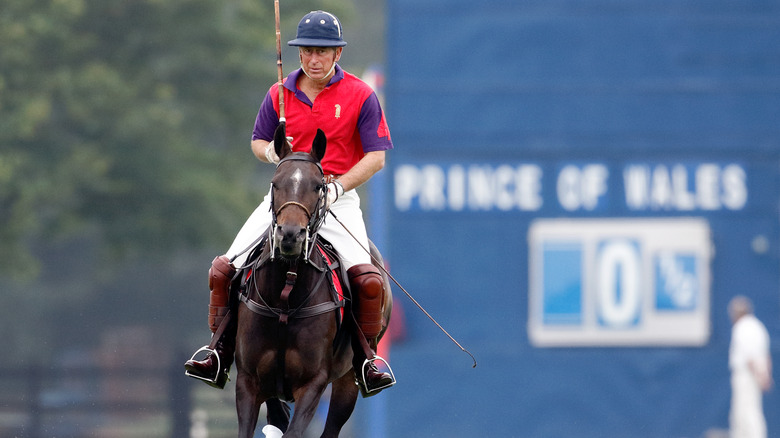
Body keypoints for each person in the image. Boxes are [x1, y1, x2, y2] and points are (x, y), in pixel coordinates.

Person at [184, 10, 395, 396]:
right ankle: (218, 353)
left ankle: (366, 361)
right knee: (223, 269)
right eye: (308, 51)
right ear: (298, 54)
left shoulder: (360, 95)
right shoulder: (278, 93)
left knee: (367, 281)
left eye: (323, 51)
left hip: (337, 199)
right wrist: (274, 155)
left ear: (338, 53)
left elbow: (376, 156)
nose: (315, 59)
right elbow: (258, 141)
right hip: (286, 200)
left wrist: (337, 188)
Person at [728, 295, 773, 438]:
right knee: (748, 410)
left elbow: (749, 358)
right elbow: (766, 355)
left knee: (746, 412)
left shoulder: (742, 327)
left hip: (747, 374)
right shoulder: (758, 326)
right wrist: (765, 375)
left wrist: (759, 375)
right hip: (757, 372)